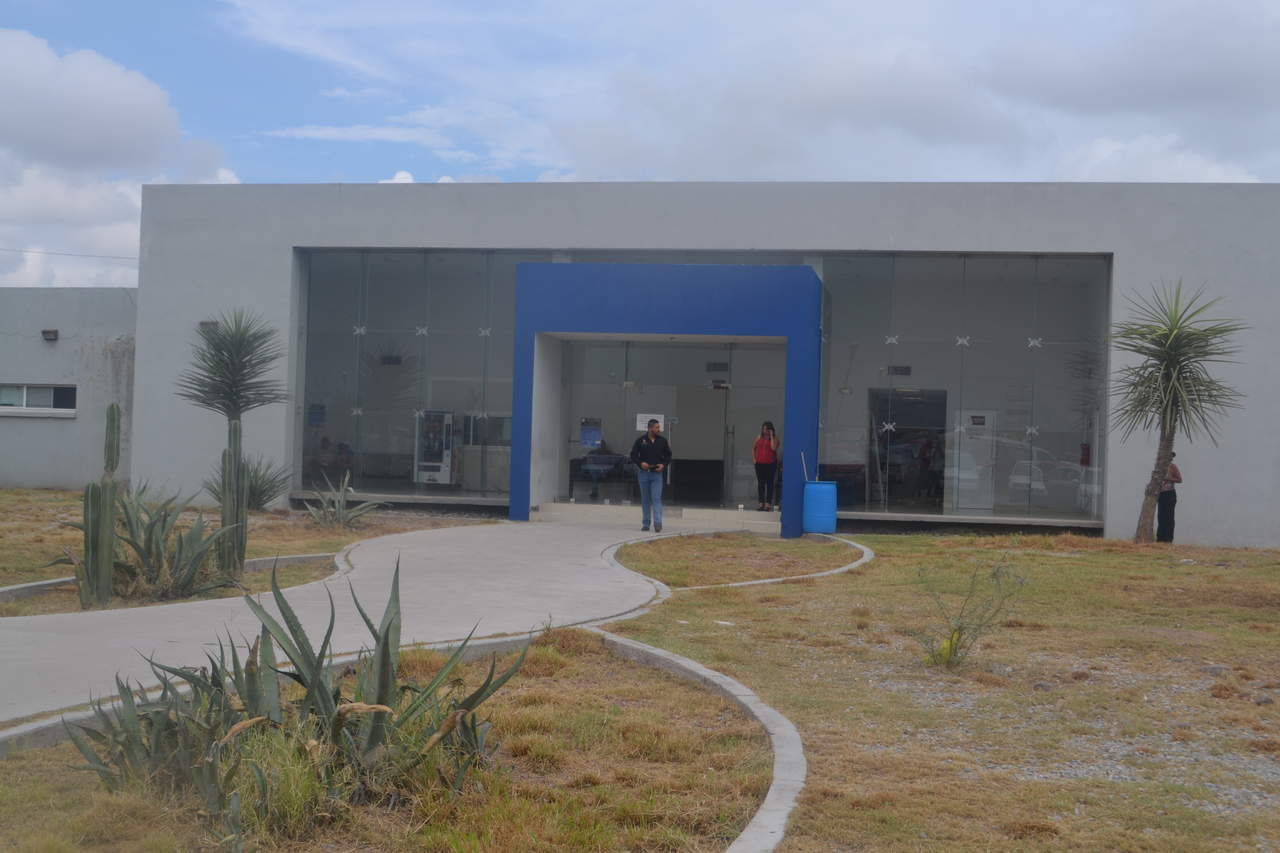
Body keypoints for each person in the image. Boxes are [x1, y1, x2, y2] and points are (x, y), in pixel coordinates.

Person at [630, 418, 672, 532]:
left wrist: (663, 465)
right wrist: (640, 463)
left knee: (656, 498)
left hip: (657, 474)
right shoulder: (640, 441)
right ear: (650, 428)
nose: (659, 429)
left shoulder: (662, 441)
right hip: (644, 474)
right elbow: (633, 455)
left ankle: (658, 523)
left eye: (659, 427)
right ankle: (646, 523)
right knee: (645, 500)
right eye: (657, 427)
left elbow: (668, 455)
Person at [753, 421, 780, 511]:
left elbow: (773, 448)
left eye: (766, 429)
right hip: (759, 464)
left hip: (770, 464)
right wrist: (754, 459)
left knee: (769, 483)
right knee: (761, 483)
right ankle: (761, 503)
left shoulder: (775, 438)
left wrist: (771, 436)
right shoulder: (759, 437)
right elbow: (753, 448)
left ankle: (768, 504)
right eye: (763, 429)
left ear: (770, 429)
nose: (764, 431)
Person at [1157, 452, 1182, 543]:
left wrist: (1167, 479)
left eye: (1171, 457)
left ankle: (1168, 539)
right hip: (1161, 494)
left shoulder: (1172, 467)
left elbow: (1179, 479)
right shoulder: (1159, 467)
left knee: (1169, 517)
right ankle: (1160, 539)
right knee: (1161, 517)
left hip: (1169, 494)